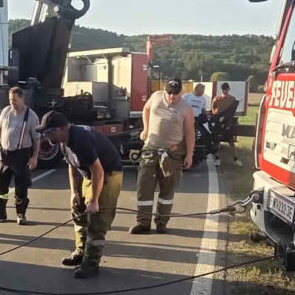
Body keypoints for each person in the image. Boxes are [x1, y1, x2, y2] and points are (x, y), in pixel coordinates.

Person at [40, 111, 123, 279]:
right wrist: (75, 193)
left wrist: (93, 201)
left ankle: (91, 264)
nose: (46, 135)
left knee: (97, 219)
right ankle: (81, 252)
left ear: (63, 128)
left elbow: (98, 171)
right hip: (88, 173)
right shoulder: (63, 142)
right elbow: (72, 166)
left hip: (107, 174)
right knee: (78, 210)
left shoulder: (81, 140)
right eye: (44, 132)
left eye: (49, 131)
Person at [131, 78, 193, 235]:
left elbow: (190, 132)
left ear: (181, 92)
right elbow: (146, 109)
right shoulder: (156, 96)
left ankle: (161, 222)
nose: (172, 97)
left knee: (167, 190)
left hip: (172, 153)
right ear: (165, 90)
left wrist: (190, 154)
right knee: (144, 186)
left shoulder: (186, 109)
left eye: (176, 94)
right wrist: (145, 129)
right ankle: (143, 223)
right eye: (169, 93)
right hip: (150, 149)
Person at [0, 86, 41, 225]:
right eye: (10, 100)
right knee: (0, 184)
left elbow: (37, 139)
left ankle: (21, 213)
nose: (12, 103)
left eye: (15, 100)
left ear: (22, 99)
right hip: (5, 154)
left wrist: (34, 157)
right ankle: (0, 211)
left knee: (21, 185)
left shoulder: (31, 116)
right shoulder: (6, 111)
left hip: (21, 154)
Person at [210, 82, 241, 165]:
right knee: (217, 141)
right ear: (221, 90)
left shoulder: (232, 99)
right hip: (218, 122)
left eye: (226, 89)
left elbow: (233, 110)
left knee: (231, 141)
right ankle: (217, 159)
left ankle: (235, 159)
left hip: (228, 123)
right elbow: (213, 108)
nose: (225, 91)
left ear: (229, 89)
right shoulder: (217, 98)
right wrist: (217, 116)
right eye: (223, 89)